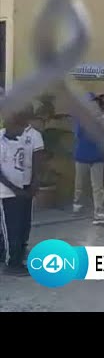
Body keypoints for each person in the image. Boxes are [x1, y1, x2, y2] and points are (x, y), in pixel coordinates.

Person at [0, 110, 34, 275]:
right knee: (10, 229)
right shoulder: (1, 141)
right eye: (20, 126)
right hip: (5, 193)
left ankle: (17, 257)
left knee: (19, 228)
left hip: (19, 192)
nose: (23, 130)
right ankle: (11, 264)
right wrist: (14, 188)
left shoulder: (21, 141)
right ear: (12, 125)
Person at [72, 93, 104, 225]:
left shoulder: (102, 120)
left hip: (98, 157)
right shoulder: (80, 119)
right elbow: (77, 135)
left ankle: (99, 212)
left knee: (98, 186)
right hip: (82, 156)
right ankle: (77, 204)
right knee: (79, 184)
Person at [18, 104, 44, 257]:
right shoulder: (6, 133)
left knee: (24, 217)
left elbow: (38, 160)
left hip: (26, 183)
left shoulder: (34, 135)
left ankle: (22, 245)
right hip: (7, 184)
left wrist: (35, 181)